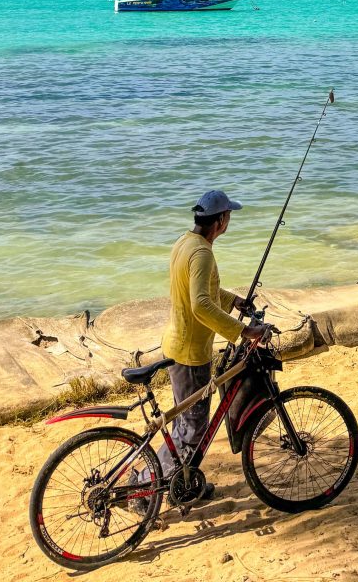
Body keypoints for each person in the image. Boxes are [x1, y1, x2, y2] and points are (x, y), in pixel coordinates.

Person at [134, 188, 269, 509]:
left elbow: (203, 291)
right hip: (190, 352)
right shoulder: (203, 253)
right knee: (191, 428)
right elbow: (200, 305)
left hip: (178, 343)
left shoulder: (186, 243)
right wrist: (244, 331)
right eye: (229, 216)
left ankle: (184, 482)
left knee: (186, 423)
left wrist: (233, 300)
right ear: (220, 221)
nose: (229, 221)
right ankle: (142, 488)